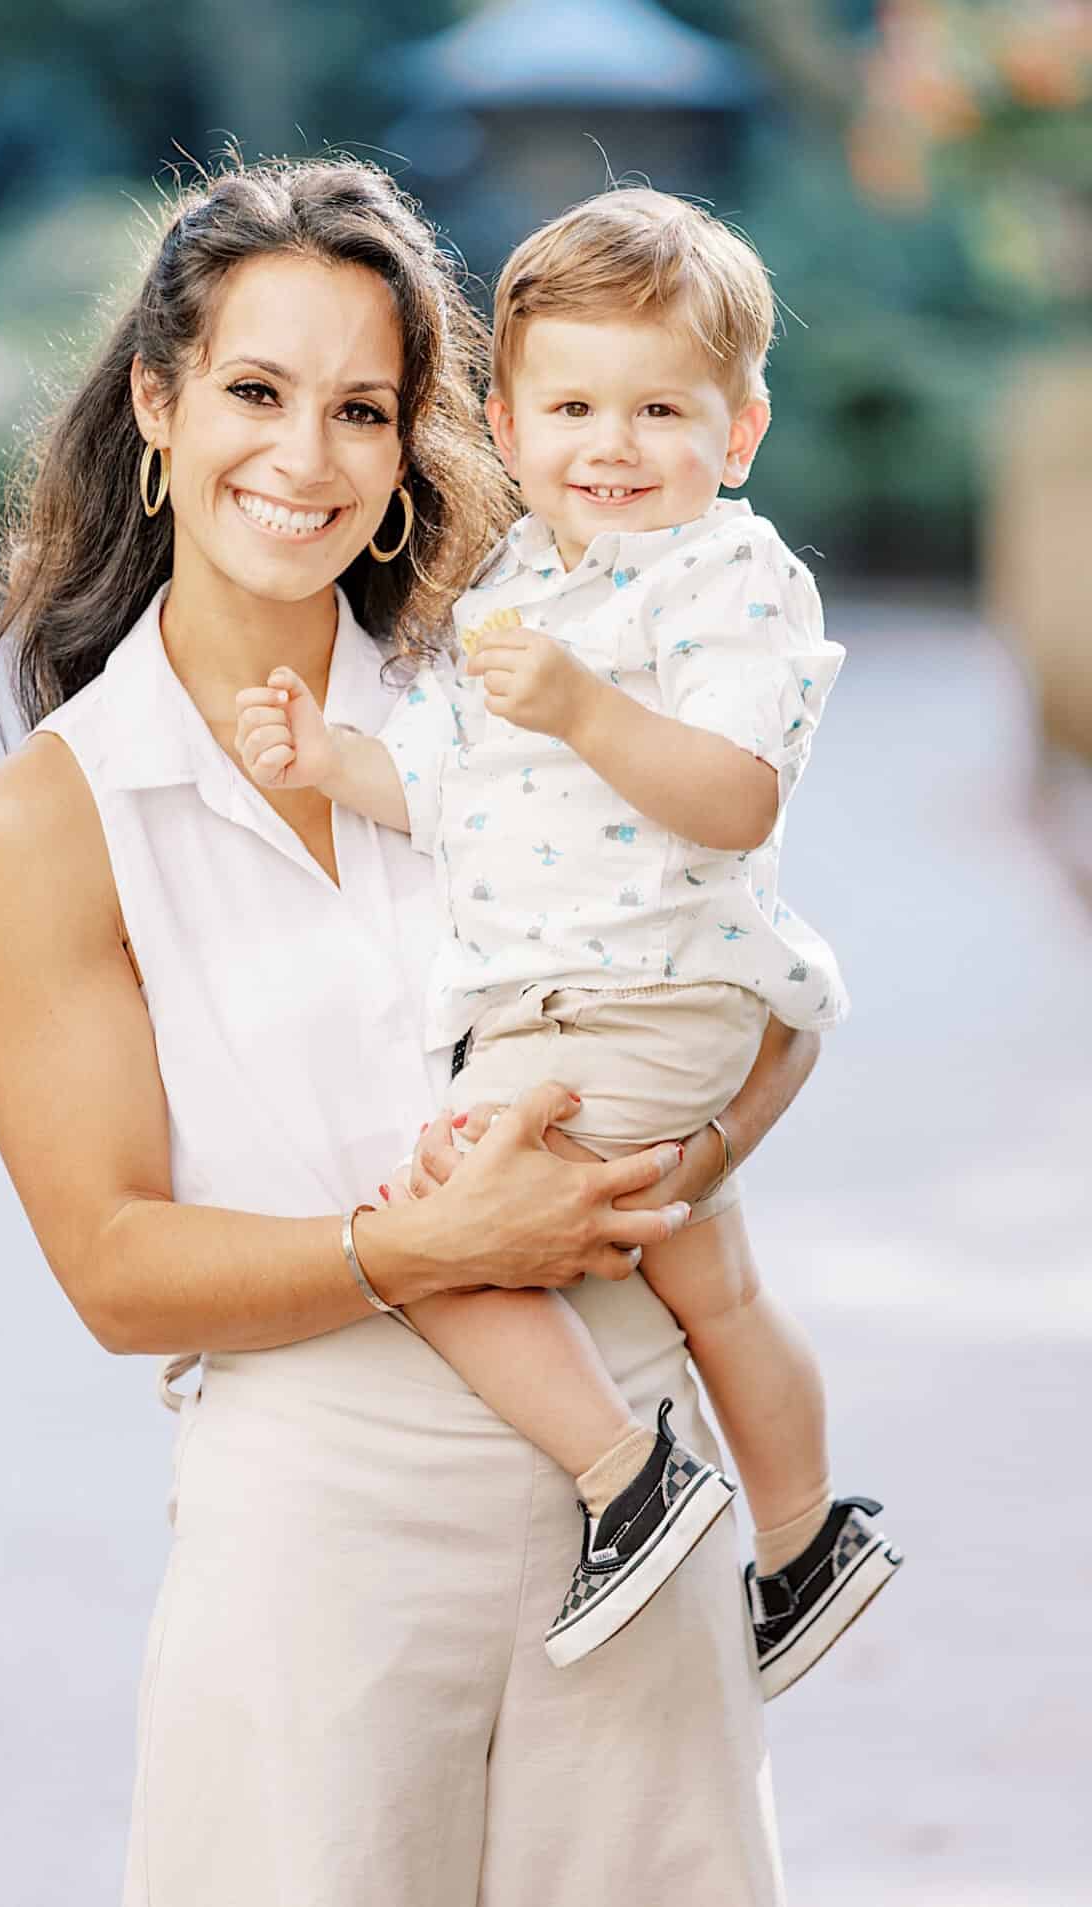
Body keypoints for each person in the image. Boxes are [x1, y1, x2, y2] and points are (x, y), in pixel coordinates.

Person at [0, 155, 811, 1901]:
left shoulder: (528, 683)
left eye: (362, 408)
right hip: (324, 1543)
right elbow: (116, 1270)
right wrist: (427, 1245)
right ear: (154, 404)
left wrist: (684, 1164)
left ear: (418, 438)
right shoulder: (57, 814)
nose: (305, 457)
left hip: (639, 1485)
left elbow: (762, 986)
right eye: (257, 393)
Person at [234, 187, 900, 1685]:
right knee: (709, 1281)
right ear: (509, 426)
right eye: (577, 405)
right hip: (575, 995)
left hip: (636, 995)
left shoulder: (728, 579)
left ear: (737, 434)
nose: (614, 444)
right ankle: (803, 1548)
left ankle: (629, 1481)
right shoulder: (516, 584)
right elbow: (451, 789)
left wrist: (591, 710)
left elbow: (734, 797)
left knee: (439, 1238)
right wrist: (329, 763)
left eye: (662, 408)